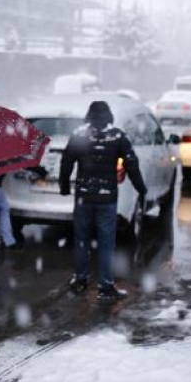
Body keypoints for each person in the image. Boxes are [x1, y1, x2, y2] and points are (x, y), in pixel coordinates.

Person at [59, 100, 146, 298]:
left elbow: (66, 162)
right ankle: (105, 285)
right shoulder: (117, 137)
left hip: (84, 196)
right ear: (108, 116)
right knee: (107, 242)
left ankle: (81, 279)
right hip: (107, 197)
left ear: (89, 115)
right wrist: (141, 188)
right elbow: (131, 164)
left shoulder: (79, 135)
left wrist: (64, 187)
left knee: (82, 239)